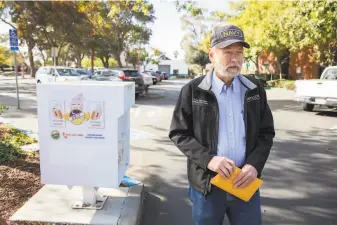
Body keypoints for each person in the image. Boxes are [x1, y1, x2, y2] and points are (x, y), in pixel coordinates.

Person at [168, 24, 275, 225]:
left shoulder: (254, 90)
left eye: (239, 52)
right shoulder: (193, 90)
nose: (234, 59)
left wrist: (254, 165)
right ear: (211, 55)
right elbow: (179, 133)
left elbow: (266, 133)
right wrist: (210, 160)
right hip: (208, 186)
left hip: (244, 181)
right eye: (227, 52)